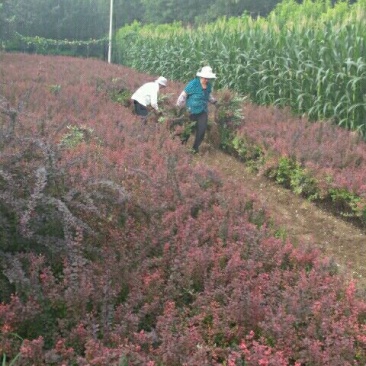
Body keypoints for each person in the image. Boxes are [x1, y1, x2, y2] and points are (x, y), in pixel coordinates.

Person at [176, 66, 217, 153]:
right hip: (191, 111)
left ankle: (194, 149)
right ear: (201, 76)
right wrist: (178, 107)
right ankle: (181, 146)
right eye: (206, 78)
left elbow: (208, 95)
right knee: (187, 130)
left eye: (209, 78)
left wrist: (214, 102)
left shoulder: (208, 85)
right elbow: (183, 95)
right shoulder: (193, 83)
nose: (207, 80)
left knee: (201, 130)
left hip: (203, 111)